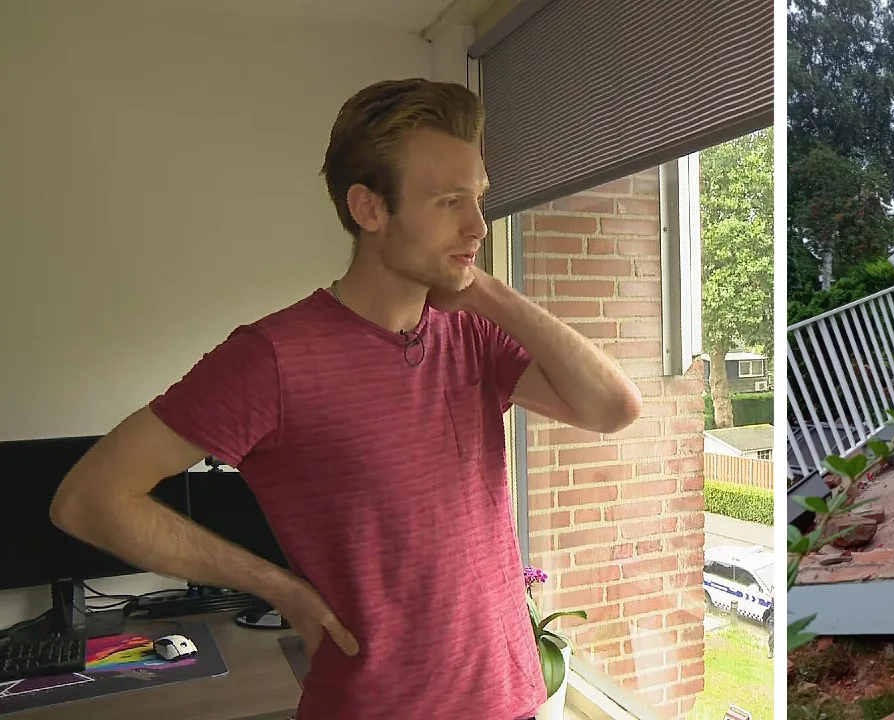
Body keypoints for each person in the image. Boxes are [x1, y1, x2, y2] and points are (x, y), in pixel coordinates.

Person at [50, 78, 643, 720]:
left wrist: (481, 292)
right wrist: (277, 586)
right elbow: (89, 501)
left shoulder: (474, 333)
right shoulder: (272, 358)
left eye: (478, 199)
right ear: (368, 209)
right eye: (448, 202)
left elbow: (613, 408)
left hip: (509, 701)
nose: (476, 225)